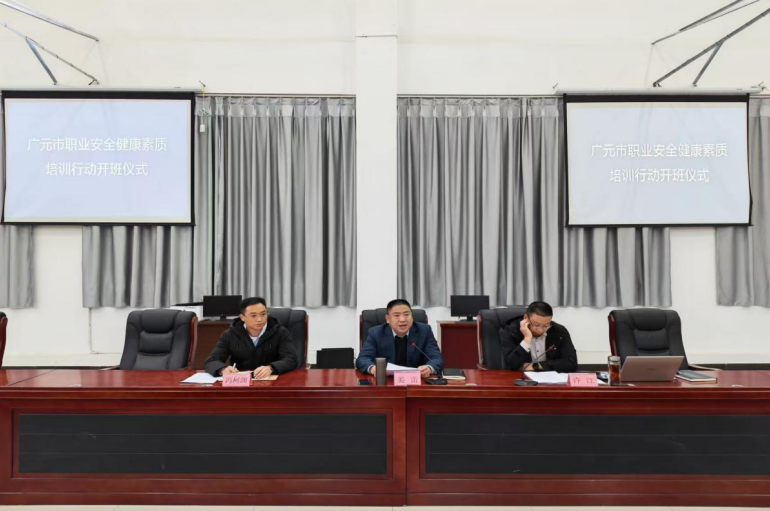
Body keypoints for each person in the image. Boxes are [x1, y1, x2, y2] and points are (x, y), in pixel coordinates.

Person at [205, 297, 298, 378]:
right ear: (242, 317)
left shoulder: (280, 332)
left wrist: (271, 368)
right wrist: (222, 369)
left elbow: (291, 359)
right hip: (241, 382)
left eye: (263, 314)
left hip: (271, 380)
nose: (259, 319)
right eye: (253, 315)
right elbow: (212, 360)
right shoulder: (230, 334)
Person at [356, 299, 444, 378]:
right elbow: (362, 359)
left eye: (406, 314)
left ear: (412, 316)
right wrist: (373, 369)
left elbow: (436, 359)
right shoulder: (376, 333)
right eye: (397, 315)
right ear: (388, 319)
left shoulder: (424, 331)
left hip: (415, 382)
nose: (402, 319)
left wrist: (429, 368)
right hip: (386, 381)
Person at [499, 301, 577, 372]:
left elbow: (571, 363)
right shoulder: (510, 331)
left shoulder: (559, 331)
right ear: (526, 318)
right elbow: (511, 364)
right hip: (520, 378)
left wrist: (537, 366)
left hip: (550, 377)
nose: (540, 330)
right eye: (536, 325)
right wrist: (527, 339)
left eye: (546, 325)